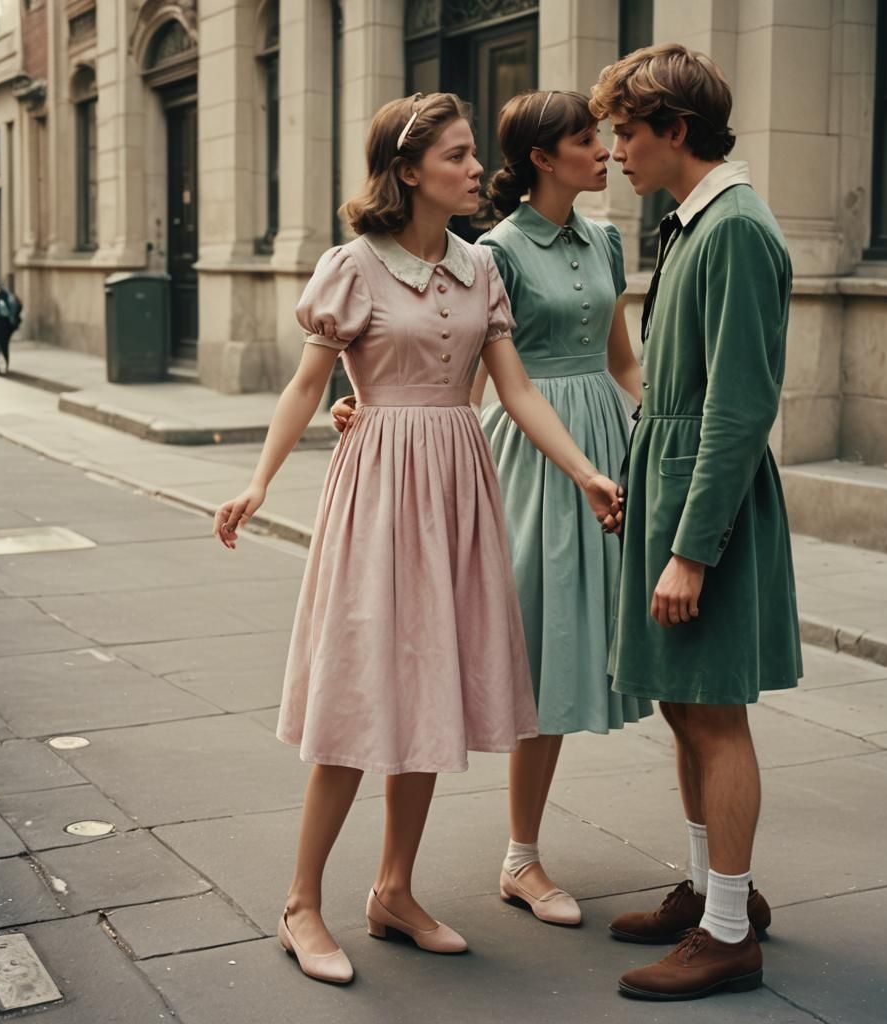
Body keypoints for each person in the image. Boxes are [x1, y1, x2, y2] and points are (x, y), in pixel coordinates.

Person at [212, 91, 622, 985]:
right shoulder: (353, 265)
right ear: (408, 172)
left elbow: (515, 390)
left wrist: (585, 470)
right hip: (379, 492)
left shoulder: (481, 267)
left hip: (459, 484)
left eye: (476, 154)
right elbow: (304, 387)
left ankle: (394, 890)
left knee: (431, 691)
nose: (478, 169)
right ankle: (301, 904)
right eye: (459, 156)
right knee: (361, 698)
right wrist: (257, 480)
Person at [333, 89, 653, 928]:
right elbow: (463, 373)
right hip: (518, 456)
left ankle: (694, 868)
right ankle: (520, 856)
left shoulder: (609, 240)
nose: (607, 151)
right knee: (532, 647)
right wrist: (379, 414)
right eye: (589, 139)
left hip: (598, 447)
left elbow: (624, 360)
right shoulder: (495, 250)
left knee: (601, 644)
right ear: (544, 156)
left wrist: (656, 434)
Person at [589, 44, 802, 1000]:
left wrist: (689, 550)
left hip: (704, 517)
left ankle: (728, 936)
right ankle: (720, 893)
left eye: (628, 134)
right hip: (673, 497)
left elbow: (740, 408)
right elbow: (672, 393)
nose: (618, 152)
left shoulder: (736, 231)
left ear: (677, 129)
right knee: (683, 706)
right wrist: (642, 493)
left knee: (714, 713)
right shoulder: (689, 224)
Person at [0, 270, 21, 376]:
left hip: (2, 326)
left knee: (1, 346)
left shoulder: (3, 295)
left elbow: (16, 307)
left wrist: (12, 323)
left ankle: (1, 367)